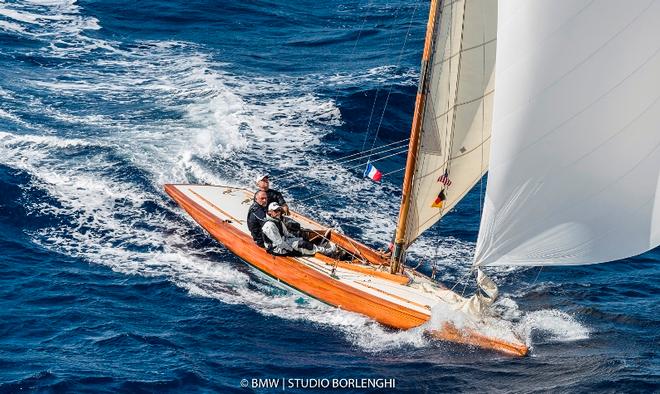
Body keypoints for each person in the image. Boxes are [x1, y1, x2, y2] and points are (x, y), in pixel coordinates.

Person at [262, 202, 335, 257]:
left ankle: (316, 249)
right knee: (303, 244)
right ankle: (326, 251)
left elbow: (286, 234)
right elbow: (279, 243)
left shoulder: (277, 220)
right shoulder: (269, 226)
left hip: (284, 241)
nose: (278, 212)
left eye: (279, 210)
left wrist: (296, 238)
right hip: (276, 249)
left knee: (302, 239)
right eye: (275, 211)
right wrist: (292, 250)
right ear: (269, 212)